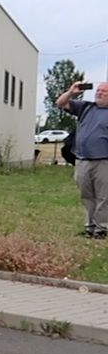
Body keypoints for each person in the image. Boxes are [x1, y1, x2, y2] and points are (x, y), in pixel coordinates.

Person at [57, 80, 108, 238]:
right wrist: (72, 92)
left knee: (103, 196)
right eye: (98, 90)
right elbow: (60, 103)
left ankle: (102, 229)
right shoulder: (86, 107)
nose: (99, 93)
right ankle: (90, 226)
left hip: (103, 161)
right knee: (87, 196)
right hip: (82, 160)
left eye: (104, 91)